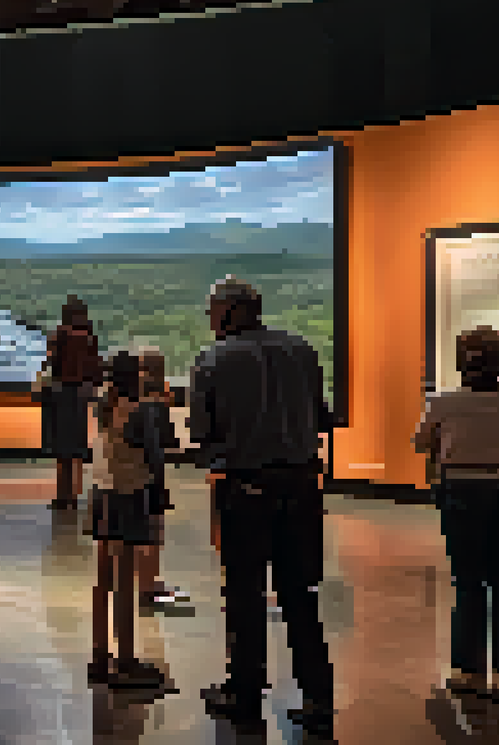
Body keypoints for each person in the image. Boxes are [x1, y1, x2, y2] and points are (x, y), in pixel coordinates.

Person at [190, 276, 335, 737]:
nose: (210, 317)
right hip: (302, 489)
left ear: (229, 311)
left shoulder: (212, 359)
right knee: (300, 596)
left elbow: (201, 430)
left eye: (212, 309)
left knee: (245, 596)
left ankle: (245, 692)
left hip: (245, 490)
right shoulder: (304, 350)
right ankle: (317, 696)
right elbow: (322, 415)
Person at [414, 326, 499, 708]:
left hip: (462, 489)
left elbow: (420, 443)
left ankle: (468, 671)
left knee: (469, 582)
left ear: (464, 363)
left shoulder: (444, 402)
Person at [87, 351, 173, 691]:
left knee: (103, 577)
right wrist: (161, 495)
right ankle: (125, 662)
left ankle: (99, 654)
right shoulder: (139, 412)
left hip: (102, 493)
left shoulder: (103, 405)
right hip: (130, 493)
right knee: (125, 579)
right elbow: (154, 457)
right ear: (133, 377)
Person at [133, 348, 191, 612]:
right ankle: (149, 585)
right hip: (153, 474)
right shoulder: (159, 404)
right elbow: (169, 442)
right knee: (153, 530)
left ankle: (139, 583)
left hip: (126, 476)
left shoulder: (125, 404)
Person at [45, 296, 104, 510]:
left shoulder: (59, 335)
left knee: (62, 450)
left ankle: (62, 496)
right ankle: (75, 495)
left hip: (61, 393)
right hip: (81, 394)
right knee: (78, 448)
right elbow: (97, 368)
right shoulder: (89, 337)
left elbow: (51, 362)